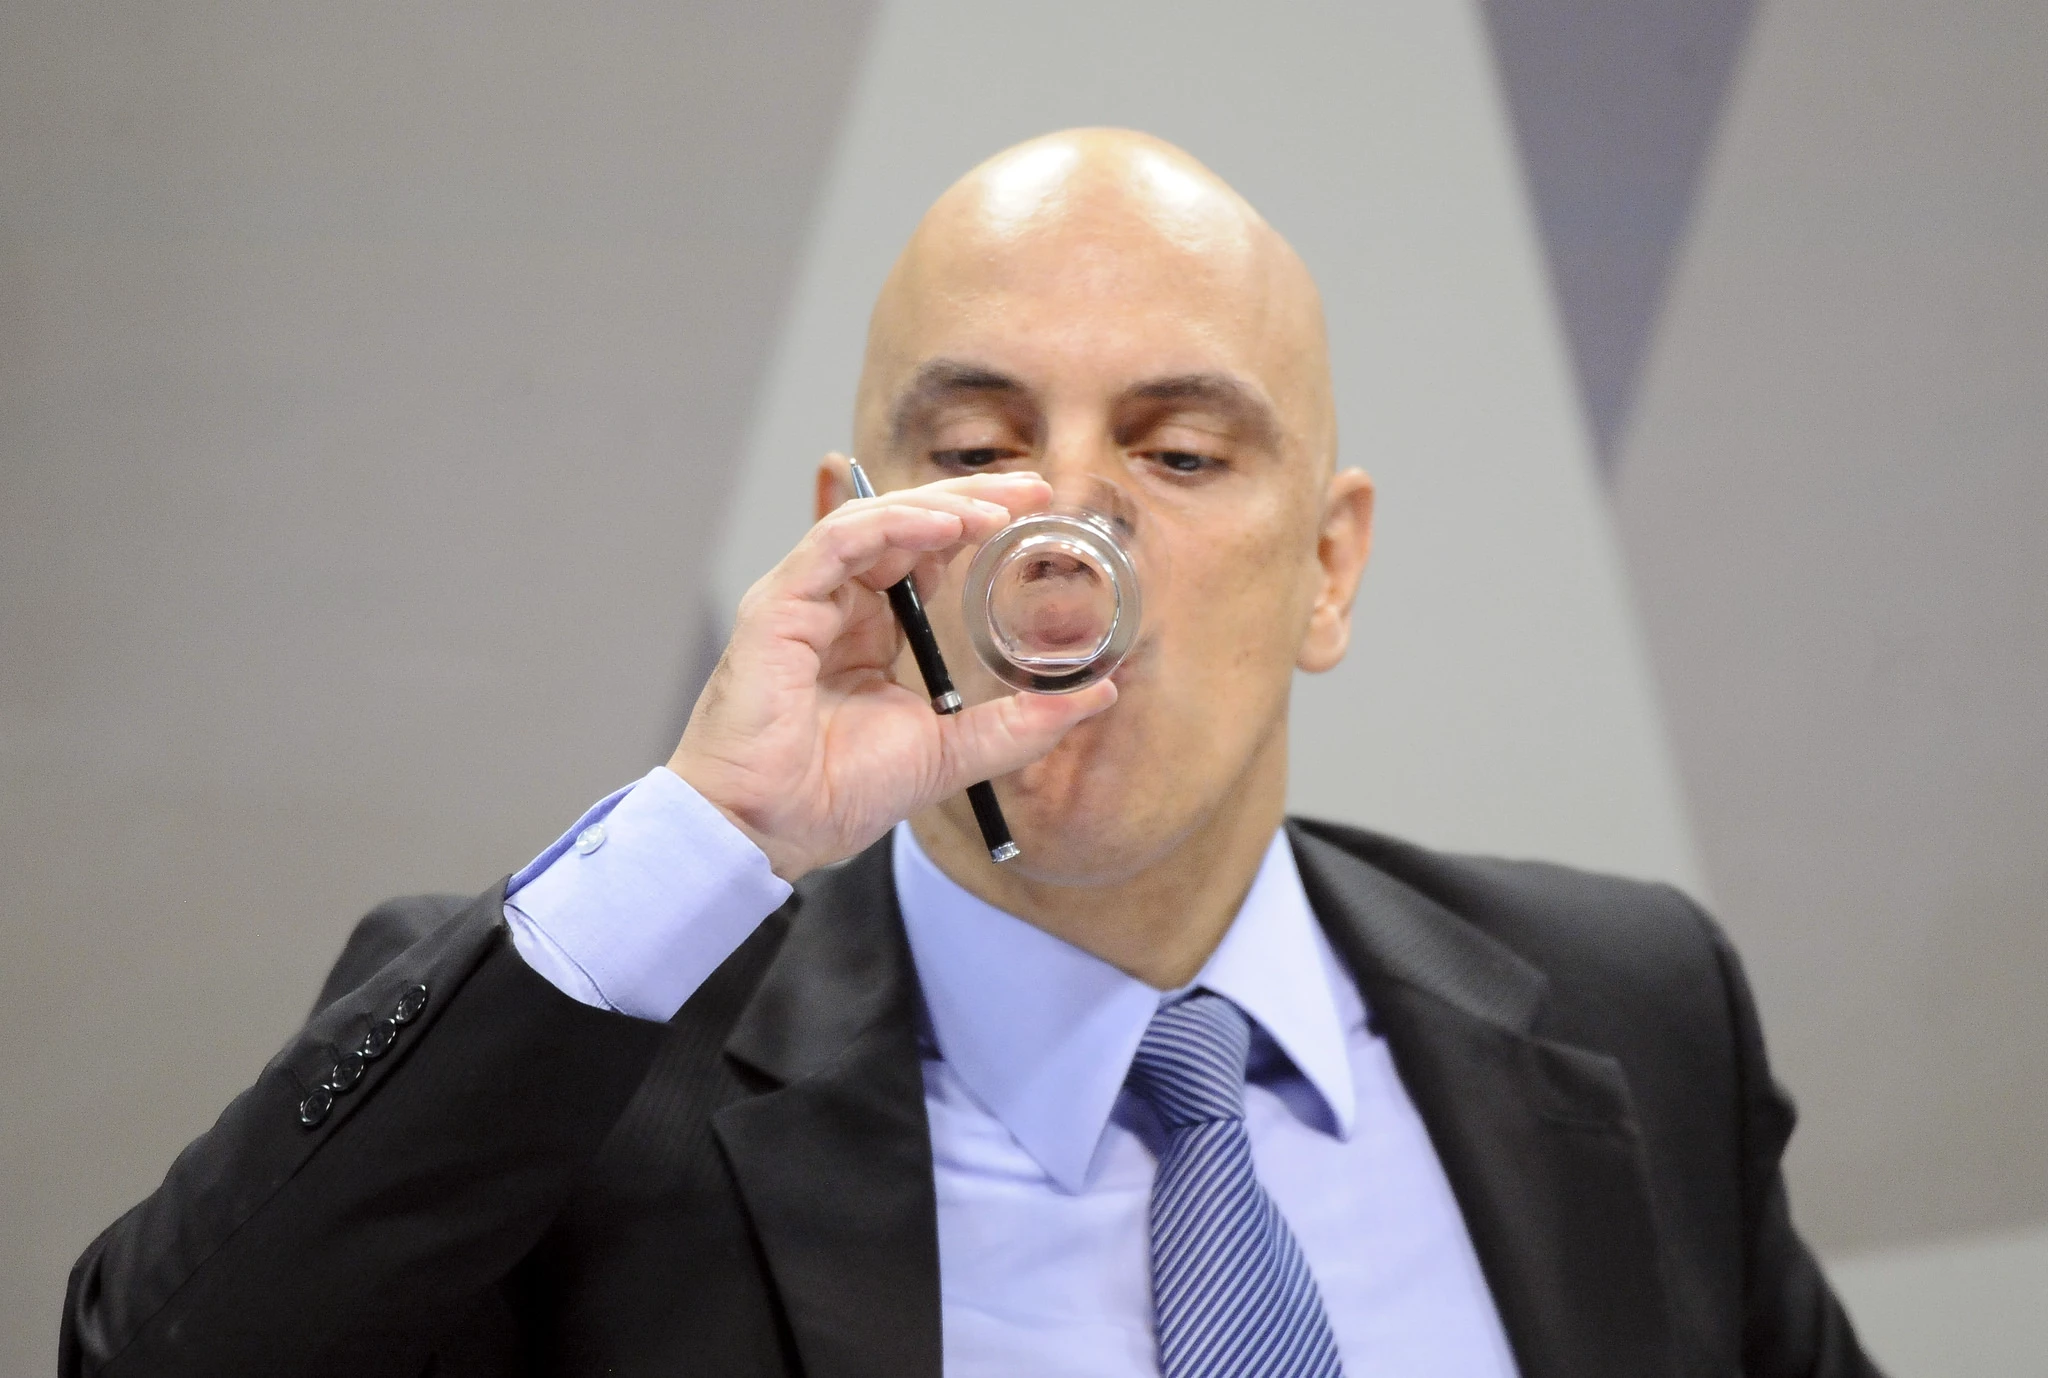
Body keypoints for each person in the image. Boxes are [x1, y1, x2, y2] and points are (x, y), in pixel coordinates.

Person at [61, 129, 1878, 1378]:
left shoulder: (1634, 1009)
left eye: (1179, 454)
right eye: (977, 453)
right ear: (858, 536)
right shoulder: (592, 1079)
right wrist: (712, 827)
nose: (1063, 537)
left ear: (1329, 567)